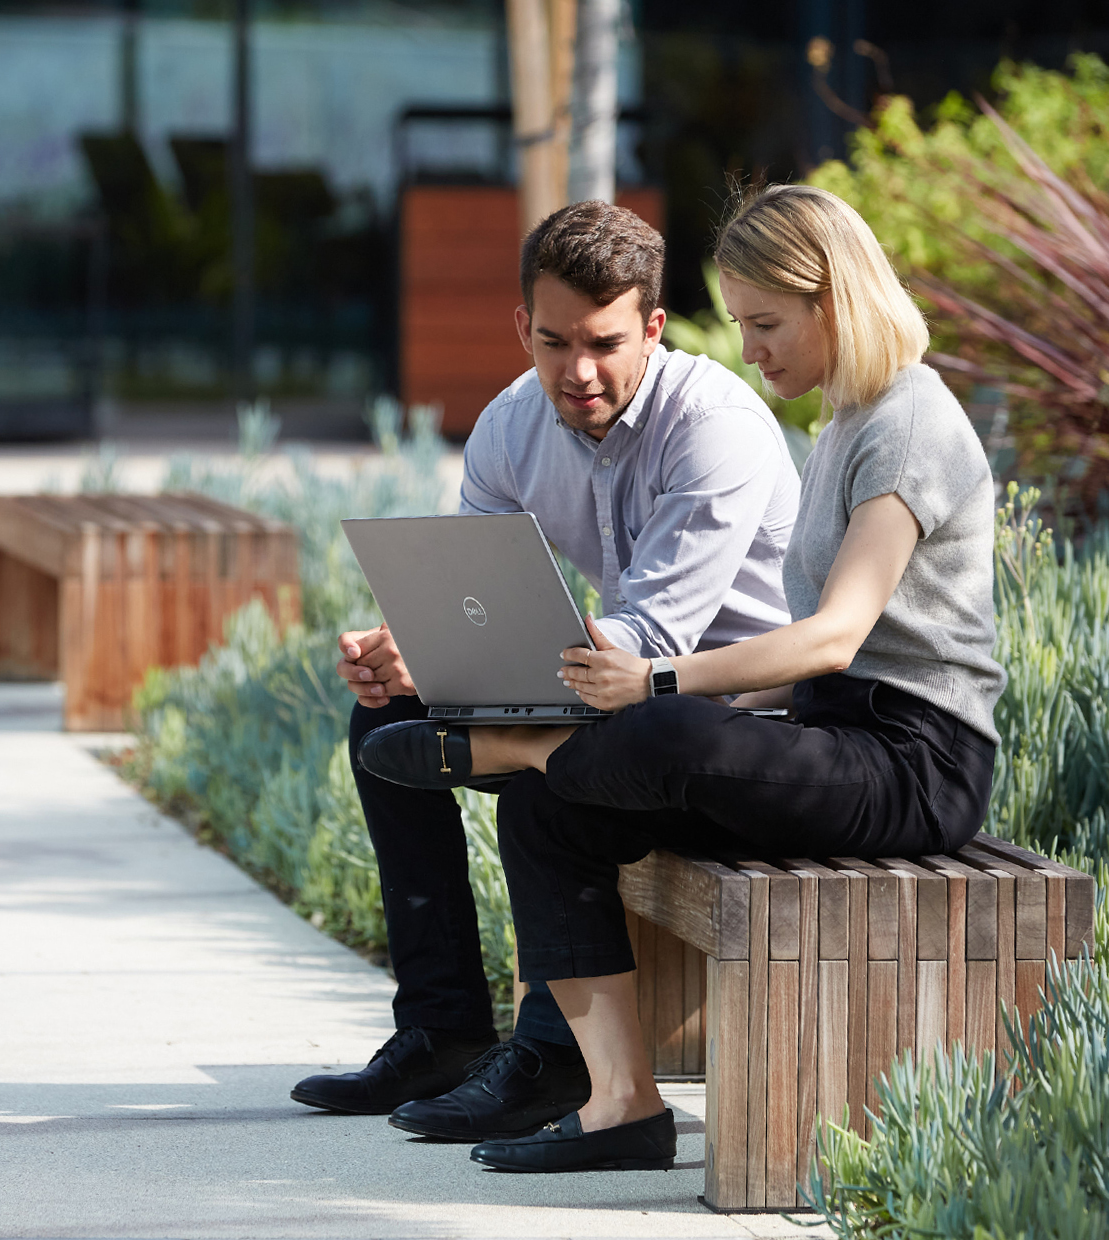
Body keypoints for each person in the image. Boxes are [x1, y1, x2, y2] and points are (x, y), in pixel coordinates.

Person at [358, 184, 1005, 1172]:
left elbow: (834, 637)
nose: (750, 347)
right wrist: (429, 650)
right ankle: (620, 1105)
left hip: (915, 757)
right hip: (817, 735)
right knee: (547, 805)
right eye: (744, 323)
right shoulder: (843, 420)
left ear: (834, 301)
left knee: (650, 731)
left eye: (766, 322)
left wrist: (655, 683)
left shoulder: (908, 422)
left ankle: (524, 742)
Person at [290, 200, 802, 1144]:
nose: (578, 371)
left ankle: (549, 1060)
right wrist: (415, 649)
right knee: (387, 726)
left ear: (653, 326)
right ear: (522, 325)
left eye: (606, 343)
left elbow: (648, 637)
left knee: (554, 777)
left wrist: (484, 667)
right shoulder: (510, 425)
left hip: (733, 724)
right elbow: (477, 597)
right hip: (614, 699)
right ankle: (441, 1028)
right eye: (555, 339)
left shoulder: (714, 427)